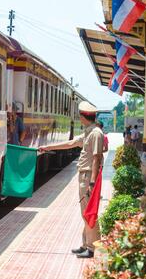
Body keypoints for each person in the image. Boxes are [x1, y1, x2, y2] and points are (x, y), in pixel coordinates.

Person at [39, 101, 104, 258]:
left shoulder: (95, 133)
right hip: (85, 175)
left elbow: (96, 158)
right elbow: (71, 143)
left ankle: (92, 247)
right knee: (85, 212)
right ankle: (86, 244)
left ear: (83, 117)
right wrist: (47, 147)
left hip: (89, 176)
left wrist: (93, 182)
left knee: (89, 212)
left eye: (80, 116)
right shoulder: (89, 132)